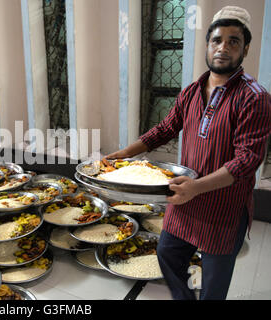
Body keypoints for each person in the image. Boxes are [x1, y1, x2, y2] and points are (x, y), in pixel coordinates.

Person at [105, 6, 271, 300]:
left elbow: (247, 161)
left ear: (245, 49)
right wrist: (124, 154)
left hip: (223, 208)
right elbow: (165, 130)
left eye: (233, 41)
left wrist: (197, 187)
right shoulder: (192, 91)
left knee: (213, 286)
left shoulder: (254, 98)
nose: (223, 48)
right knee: (168, 254)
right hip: (185, 199)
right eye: (216, 40)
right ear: (207, 45)